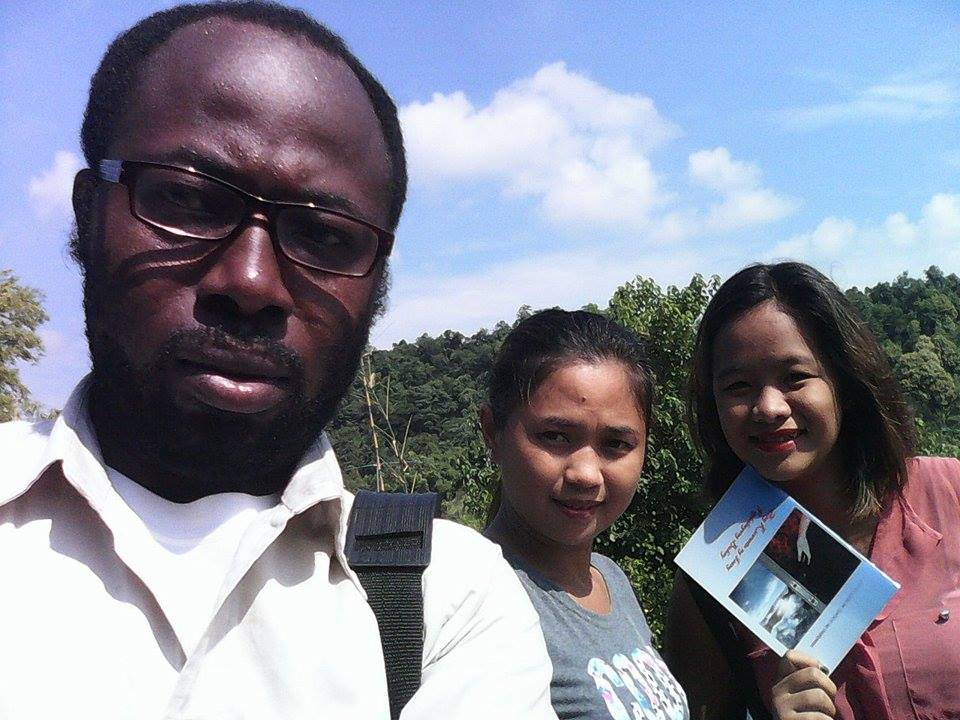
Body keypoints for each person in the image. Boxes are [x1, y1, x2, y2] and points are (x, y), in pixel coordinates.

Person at [0, 3, 558, 718]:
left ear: (379, 284)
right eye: (187, 199)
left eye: (324, 236)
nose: (251, 282)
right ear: (89, 212)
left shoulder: (448, 602)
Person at [665, 261, 960, 720]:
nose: (768, 407)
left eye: (795, 377)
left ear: (844, 381)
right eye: (738, 386)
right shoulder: (709, 584)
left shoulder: (949, 492)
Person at [480, 309, 690, 720]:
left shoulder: (610, 579)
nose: (586, 474)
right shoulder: (479, 598)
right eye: (555, 437)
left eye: (616, 444)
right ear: (493, 433)